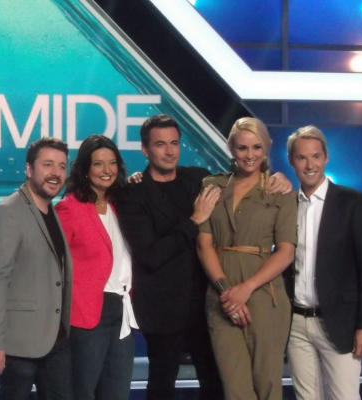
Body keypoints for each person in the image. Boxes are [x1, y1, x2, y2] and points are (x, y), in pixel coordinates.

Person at [117, 114, 292, 400]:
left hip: (206, 303)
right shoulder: (133, 192)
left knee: (218, 385)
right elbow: (150, 254)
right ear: (145, 149)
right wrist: (193, 220)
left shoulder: (199, 179)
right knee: (162, 385)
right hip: (163, 308)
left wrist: (278, 177)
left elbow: (242, 175)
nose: (169, 151)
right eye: (160, 144)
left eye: (174, 143)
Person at [196, 117, 297, 400]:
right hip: (221, 298)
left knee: (267, 385)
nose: (249, 155)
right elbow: (204, 244)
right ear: (231, 148)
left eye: (256, 147)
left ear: (266, 148)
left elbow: (286, 252)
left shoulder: (280, 192)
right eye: (242, 148)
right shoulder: (211, 185)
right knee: (235, 389)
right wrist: (227, 292)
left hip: (265, 296)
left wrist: (246, 288)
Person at [285, 125, 362, 400]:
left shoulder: (353, 202)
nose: (310, 165)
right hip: (296, 324)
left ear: (326, 157)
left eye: (316, 156)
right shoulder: (286, 205)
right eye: (302, 157)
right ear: (292, 161)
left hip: (341, 323)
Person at [0, 137, 73, 400]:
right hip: (18, 346)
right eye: (48, 165)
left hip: (55, 341)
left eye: (62, 166)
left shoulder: (52, 212)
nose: (56, 173)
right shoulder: (8, 212)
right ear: (29, 169)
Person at [55, 135, 138, 400]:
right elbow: (55, 265)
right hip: (88, 312)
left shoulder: (121, 204)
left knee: (117, 392)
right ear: (85, 169)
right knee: (83, 391)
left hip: (122, 309)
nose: (107, 170)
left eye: (112, 163)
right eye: (98, 164)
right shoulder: (69, 208)